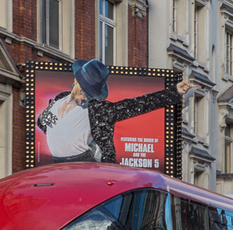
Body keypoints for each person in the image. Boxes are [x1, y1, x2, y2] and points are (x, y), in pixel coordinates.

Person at [36, 59, 197, 164]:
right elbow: (43, 123)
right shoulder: (58, 99)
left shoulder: (99, 110)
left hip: (84, 167)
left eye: (90, 94)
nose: (85, 97)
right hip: (56, 166)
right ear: (75, 80)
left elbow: (135, 105)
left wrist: (173, 92)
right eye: (83, 90)